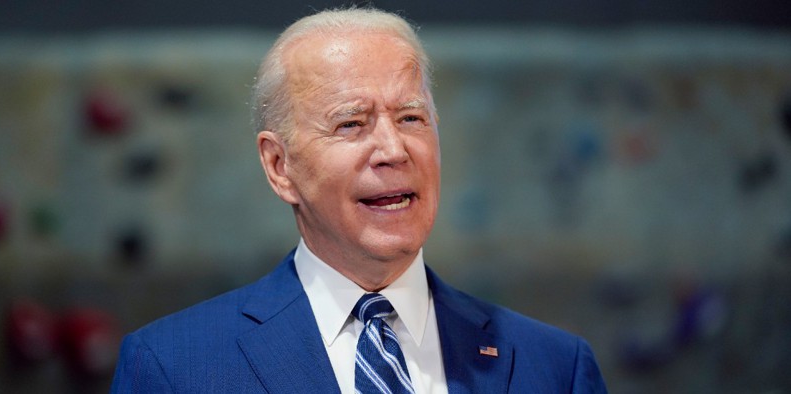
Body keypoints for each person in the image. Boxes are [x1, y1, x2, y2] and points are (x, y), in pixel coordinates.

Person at [111, 7, 607, 393]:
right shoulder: (175, 367)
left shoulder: (554, 367)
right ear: (280, 167)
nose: (393, 150)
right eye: (352, 123)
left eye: (411, 118)